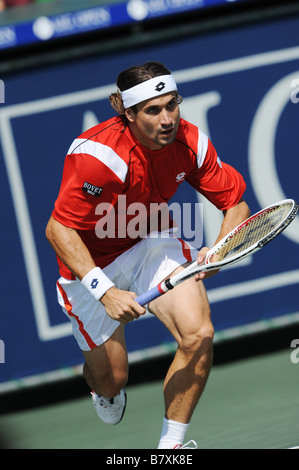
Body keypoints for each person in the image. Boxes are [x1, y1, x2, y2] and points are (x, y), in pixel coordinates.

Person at [46, 61, 250, 449]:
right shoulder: (100, 157)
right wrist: (104, 290)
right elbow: (58, 229)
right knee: (112, 378)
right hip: (90, 264)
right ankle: (102, 389)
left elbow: (235, 204)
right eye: (154, 110)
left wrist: (221, 249)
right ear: (127, 112)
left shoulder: (190, 142)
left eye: (173, 105)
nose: (168, 119)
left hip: (152, 240)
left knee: (199, 332)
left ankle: (170, 447)